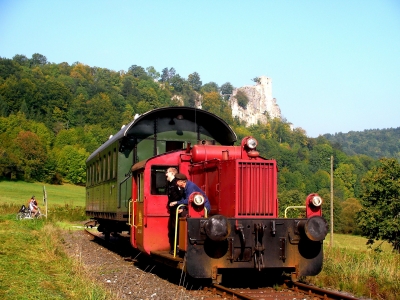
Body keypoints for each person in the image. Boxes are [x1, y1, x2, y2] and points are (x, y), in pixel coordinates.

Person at [165, 167, 184, 255]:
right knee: (172, 229)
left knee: (176, 228)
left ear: (172, 173)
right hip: (173, 210)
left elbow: (182, 195)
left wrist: (182, 207)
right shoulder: (170, 184)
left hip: (178, 210)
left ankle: (177, 248)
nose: (166, 174)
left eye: (167, 172)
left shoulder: (176, 184)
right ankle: (173, 248)